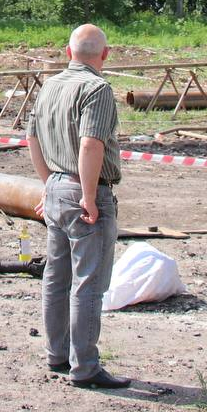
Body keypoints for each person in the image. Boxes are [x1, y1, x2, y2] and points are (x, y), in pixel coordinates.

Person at [26, 23, 129, 390]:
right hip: (87, 192)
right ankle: (85, 367)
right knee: (88, 283)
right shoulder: (97, 88)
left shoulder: (49, 85)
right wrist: (87, 194)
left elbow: (32, 139)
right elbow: (90, 145)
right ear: (105, 55)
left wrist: (48, 184)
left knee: (57, 278)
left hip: (55, 187)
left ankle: (57, 354)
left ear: (67, 53)